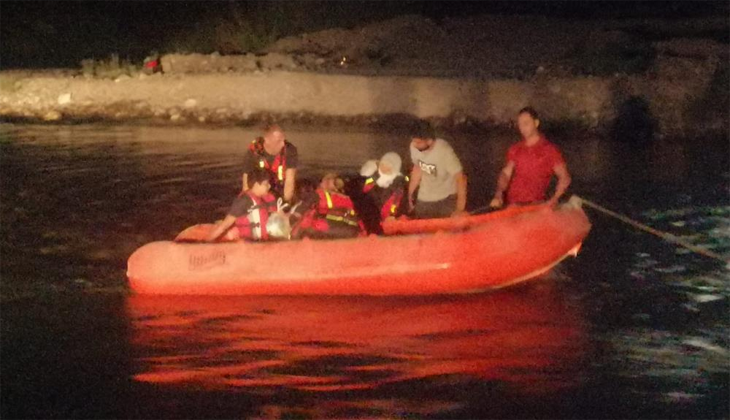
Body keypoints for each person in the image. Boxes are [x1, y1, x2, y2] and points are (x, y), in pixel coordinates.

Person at [490, 107, 571, 208]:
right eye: (520, 124)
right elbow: (506, 174)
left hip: (535, 204)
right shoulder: (515, 149)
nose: (522, 128)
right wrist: (498, 194)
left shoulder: (550, 150)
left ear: (536, 123)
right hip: (513, 204)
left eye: (526, 123)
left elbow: (564, 177)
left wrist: (555, 198)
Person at [408, 122, 468, 219]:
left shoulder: (445, 152)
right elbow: (417, 169)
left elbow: (460, 178)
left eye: (418, 142)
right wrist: (410, 196)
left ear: (429, 141)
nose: (414, 145)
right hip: (424, 199)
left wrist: (459, 209)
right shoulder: (414, 147)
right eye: (413, 141)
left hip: (446, 199)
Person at [206, 168, 279, 242]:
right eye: (266, 184)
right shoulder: (243, 201)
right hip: (249, 244)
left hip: (264, 243)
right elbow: (225, 225)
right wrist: (206, 242)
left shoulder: (266, 199)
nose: (269, 186)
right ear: (256, 185)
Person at [292, 172, 365, 239]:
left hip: (332, 228)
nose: (325, 182)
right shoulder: (346, 200)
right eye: (327, 180)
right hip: (348, 230)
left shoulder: (319, 195)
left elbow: (303, 208)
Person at [241, 123, 298, 202]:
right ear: (266, 140)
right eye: (279, 141)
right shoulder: (254, 150)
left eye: (283, 140)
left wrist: (285, 204)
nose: (282, 144)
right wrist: (247, 202)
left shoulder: (290, 150)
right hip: (261, 189)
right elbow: (246, 182)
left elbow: (289, 182)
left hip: (280, 189)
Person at [360, 152, 407, 222]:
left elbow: (396, 202)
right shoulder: (373, 178)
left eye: (387, 164)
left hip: (388, 219)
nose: (383, 166)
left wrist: (391, 215)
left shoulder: (398, 183)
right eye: (382, 163)